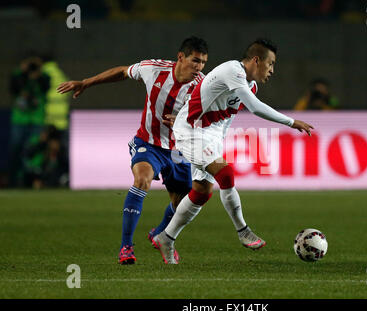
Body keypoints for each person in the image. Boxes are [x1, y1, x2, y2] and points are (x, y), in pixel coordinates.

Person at [152, 38, 314, 264]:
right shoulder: (232, 70)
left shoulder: (250, 85)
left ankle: (166, 238)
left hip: (209, 136)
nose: (272, 70)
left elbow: (225, 120)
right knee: (226, 174)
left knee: (202, 192)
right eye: (271, 64)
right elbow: (255, 107)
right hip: (190, 131)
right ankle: (243, 230)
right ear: (256, 60)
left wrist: (217, 144)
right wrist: (291, 121)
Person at [57, 36, 209, 265]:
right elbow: (122, 72)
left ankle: (159, 234)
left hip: (179, 150)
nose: (199, 68)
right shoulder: (154, 69)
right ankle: (126, 247)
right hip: (148, 143)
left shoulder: (203, 85)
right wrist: (86, 82)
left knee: (184, 203)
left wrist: (184, 122)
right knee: (142, 180)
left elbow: (209, 120)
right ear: (181, 57)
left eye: (203, 63)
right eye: (195, 61)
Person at [9, 55, 50, 187]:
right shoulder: (19, 75)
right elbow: (13, 88)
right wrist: (23, 73)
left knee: (35, 151)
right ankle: (14, 182)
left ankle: (34, 180)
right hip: (20, 119)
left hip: (37, 119)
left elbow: (45, 88)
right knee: (16, 150)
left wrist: (38, 74)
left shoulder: (44, 76)